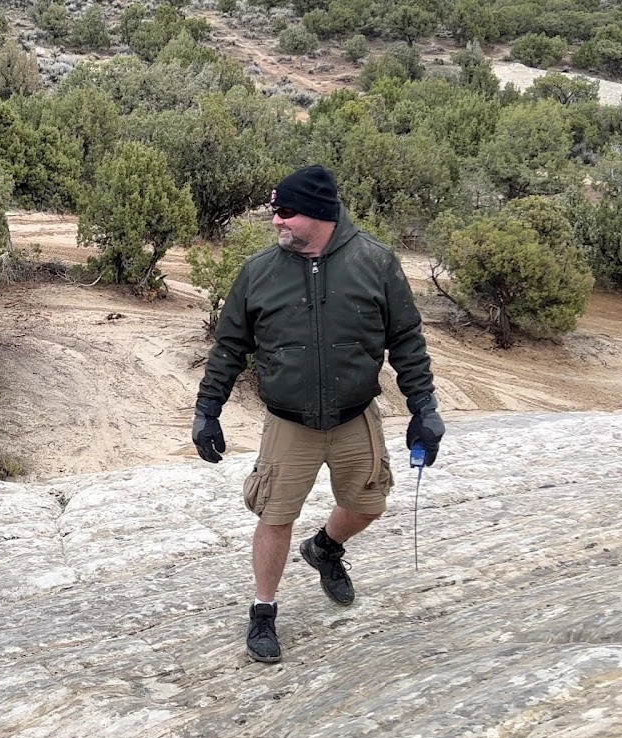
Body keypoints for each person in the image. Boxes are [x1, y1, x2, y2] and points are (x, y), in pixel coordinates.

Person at [191, 164, 446, 664]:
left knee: (369, 504)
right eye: (275, 211)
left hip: (356, 416)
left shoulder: (376, 262)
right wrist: (207, 410)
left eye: (286, 211)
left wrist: (424, 409)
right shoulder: (259, 271)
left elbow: (407, 342)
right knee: (275, 516)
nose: (276, 221)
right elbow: (229, 347)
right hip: (289, 421)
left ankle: (325, 547)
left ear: (320, 214)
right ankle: (264, 610)